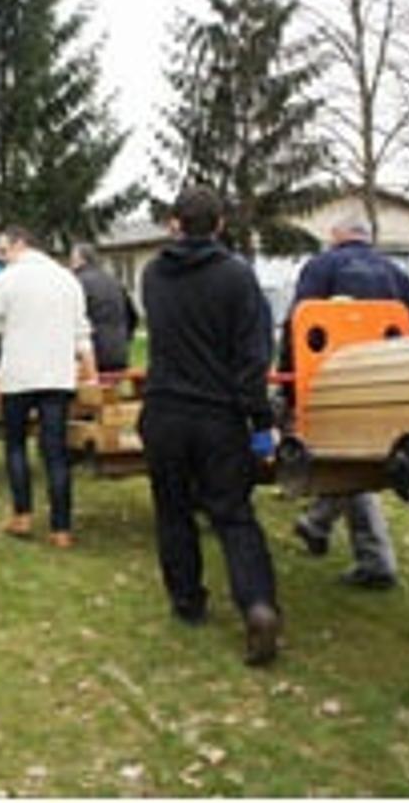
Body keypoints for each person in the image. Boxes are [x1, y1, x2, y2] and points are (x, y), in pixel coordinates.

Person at [137, 186, 281, 666]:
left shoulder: (153, 274)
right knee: (233, 515)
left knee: (173, 509)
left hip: (164, 411)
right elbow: (252, 357)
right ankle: (257, 604)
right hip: (219, 415)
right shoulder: (238, 279)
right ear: (220, 224)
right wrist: (261, 422)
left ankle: (187, 600)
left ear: (174, 223)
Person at [280, 216, 409, 589]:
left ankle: (371, 557)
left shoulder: (321, 268)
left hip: (335, 382)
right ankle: (319, 524)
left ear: (336, 238)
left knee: (347, 459)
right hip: (387, 383)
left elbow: (299, 327)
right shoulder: (394, 274)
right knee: (360, 458)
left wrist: (289, 391)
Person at [0, 226, 96, 548]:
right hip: (57, 376)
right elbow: (81, 332)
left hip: (18, 376)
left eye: (4, 250)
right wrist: (90, 370)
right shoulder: (67, 279)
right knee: (55, 452)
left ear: (21, 244)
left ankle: (22, 515)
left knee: (16, 445)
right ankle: (61, 529)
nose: (1, 257)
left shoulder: (6, 280)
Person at [69, 243, 139, 373]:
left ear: (80, 259)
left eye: (72, 259)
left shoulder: (75, 282)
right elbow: (133, 317)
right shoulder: (115, 281)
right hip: (120, 355)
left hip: (91, 358)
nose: (70, 263)